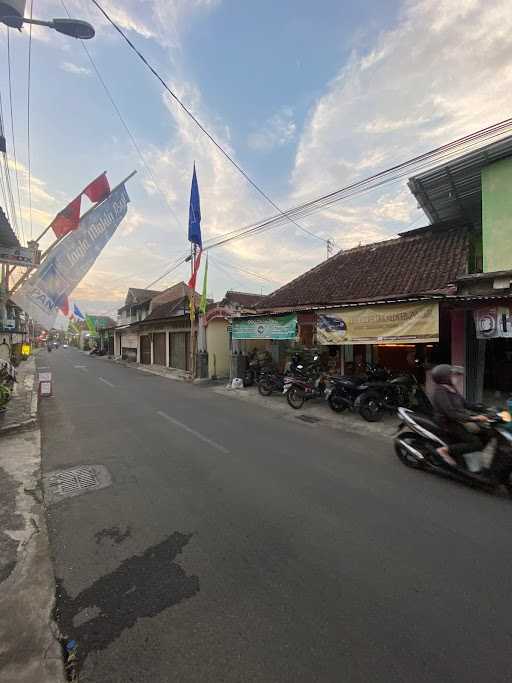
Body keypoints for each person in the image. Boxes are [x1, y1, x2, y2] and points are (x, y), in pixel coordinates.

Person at [431, 364, 489, 467]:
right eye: (453, 375)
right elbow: (450, 413)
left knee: (486, 432)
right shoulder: (439, 391)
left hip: (458, 419)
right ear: (444, 377)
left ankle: (466, 455)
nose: (456, 378)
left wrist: (485, 408)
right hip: (447, 422)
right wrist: (473, 418)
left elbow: (465, 404)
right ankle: (444, 450)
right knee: (476, 443)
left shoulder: (452, 388)